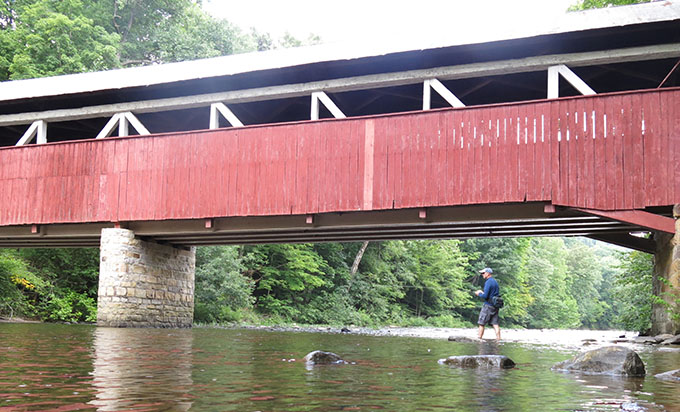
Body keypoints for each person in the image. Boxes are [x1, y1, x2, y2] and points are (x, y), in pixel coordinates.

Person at [474, 267, 501, 341]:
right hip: (495, 306)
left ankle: (479, 338)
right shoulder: (495, 282)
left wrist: (479, 294)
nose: (482, 274)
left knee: (481, 323)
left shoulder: (488, 282)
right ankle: (498, 339)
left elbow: (485, 296)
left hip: (488, 306)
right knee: (495, 324)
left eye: (483, 273)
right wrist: (483, 293)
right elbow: (492, 295)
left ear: (488, 273)